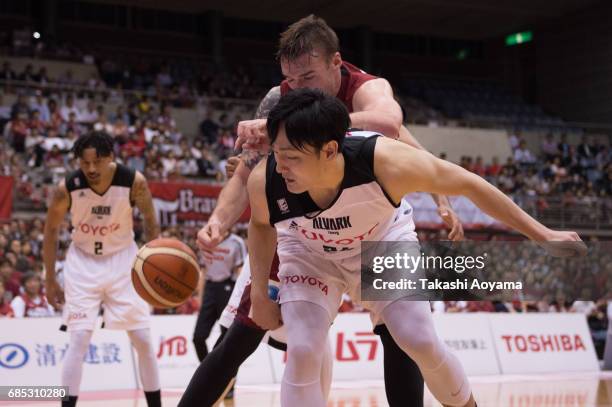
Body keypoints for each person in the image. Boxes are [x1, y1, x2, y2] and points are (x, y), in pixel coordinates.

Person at [185, 15, 464, 407]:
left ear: (336, 63)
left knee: (404, 336)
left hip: (374, 229)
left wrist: (440, 196)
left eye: (308, 78)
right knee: (245, 332)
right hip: (302, 232)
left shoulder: (365, 89)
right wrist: (217, 222)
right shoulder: (278, 99)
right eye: (291, 80)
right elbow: (246, 173)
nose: (297, 88)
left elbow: (392, 125)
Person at [247, 88, 586, 407]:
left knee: (418, 340)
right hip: (310, 256)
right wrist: (260, 294)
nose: (281, 165)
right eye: (277, 154)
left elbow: (470, 185)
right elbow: (261, 225)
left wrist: (542, 234)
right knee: (304, 349)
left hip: (381, 243)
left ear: (330, 150)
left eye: (291, 156)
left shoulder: (384, 162)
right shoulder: (267, 178)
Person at [43, 132, 162, 407]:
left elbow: (150, 220)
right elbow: (50, 231)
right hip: (83, 264)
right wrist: (50, 279)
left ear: (111, 157)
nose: (92, 169)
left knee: (143, 339)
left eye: (98, 161)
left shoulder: (134, 181)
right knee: (80, 339)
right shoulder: (67, 188)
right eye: (85, 164)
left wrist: (153, 263)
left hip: (123, 261)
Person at [192, 230, 246, 361]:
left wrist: (241, 296)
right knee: (198, 337)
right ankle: (206, 371)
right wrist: (199, 296)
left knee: (227, 337)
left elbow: (240, 270)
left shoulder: (236, 242)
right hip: (210, 288)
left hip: (228, 288)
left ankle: (227, 376)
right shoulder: (205, 240)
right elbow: (203, 270)